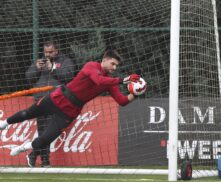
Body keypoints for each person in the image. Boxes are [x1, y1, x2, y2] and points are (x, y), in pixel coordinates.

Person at [0, 50, 141, 163]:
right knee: (27, 114)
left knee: (46, 139)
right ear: (104, 60)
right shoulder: (91, 65)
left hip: (70, 111)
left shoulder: (110, 82)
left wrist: (136, 93)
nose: (114, 68)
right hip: (58, 98)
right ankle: (4, 123)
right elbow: (98, 80)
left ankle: (25, 147)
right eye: (113, 64)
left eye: (116, 66)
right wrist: (125, 80)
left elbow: (122, 101)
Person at [25, 40, 75, 167]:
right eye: (46, 52)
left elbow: (68, 76)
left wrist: (52, 69)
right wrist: (36, 68)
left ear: (57, 51)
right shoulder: (40, 61)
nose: (47, 55)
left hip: (57, 101)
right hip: (41, 102)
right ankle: (44, 161)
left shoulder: (65, 61)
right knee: (43, 132)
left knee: (50, 132)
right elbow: (28, 78)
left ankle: (34, 154)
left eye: (51, 52)